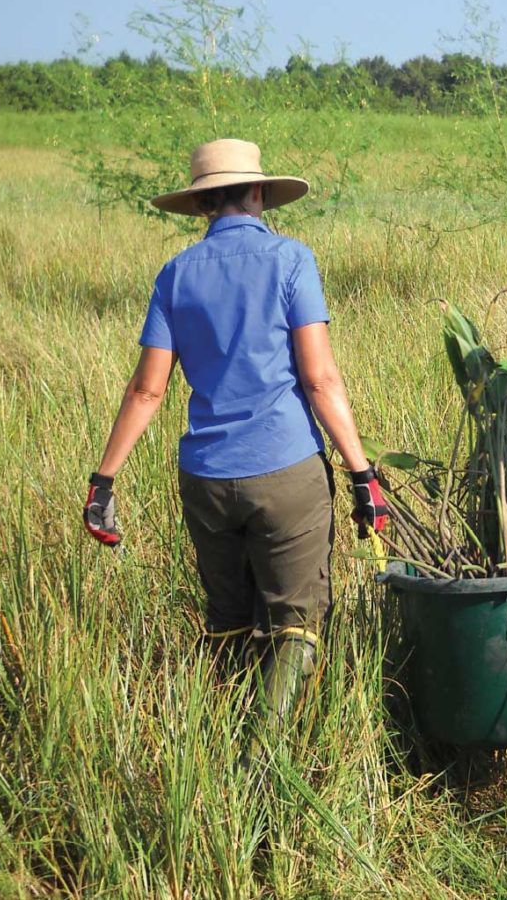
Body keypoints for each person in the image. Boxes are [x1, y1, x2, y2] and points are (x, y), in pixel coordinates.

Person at [82, 138, 388, 721]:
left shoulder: (175, 276)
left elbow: (148, 390)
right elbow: (320, 380)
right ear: (257, 194)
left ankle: (219, 738)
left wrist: (104, 481)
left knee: (228, 623)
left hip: (205, 481)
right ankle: (263, 759)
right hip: (287, 472)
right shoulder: (292, 260)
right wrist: (362, 474)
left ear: (201, 207)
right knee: (294, 625)